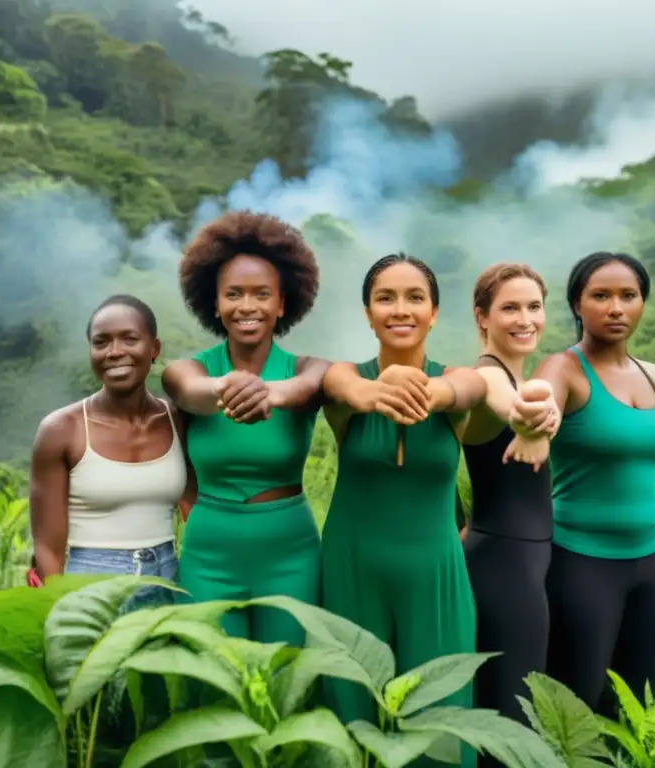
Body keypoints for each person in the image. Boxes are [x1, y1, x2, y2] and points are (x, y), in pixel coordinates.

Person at [321, 253, 510, 768]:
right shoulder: (347, 382)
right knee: (350, 719)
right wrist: (369, 391)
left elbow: (475, 386)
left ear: (434, 312)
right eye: (385, 298)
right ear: (367, 313)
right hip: (350, 570)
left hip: (436, 576)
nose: (399, 309)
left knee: (441, 722)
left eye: (414, 298)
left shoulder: (457, 385)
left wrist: (437, 391)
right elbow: (334, 382)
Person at [518, 251, 655, 715]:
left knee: (641, 704)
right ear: (577, 305)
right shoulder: (562, 370)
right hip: (582, 562)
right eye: (600, 296)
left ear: (642, 303)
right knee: (574, 701)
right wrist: (534, 424)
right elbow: (536, 405)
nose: (616, 307)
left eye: (629, 296)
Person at [162, 210, 329, 646]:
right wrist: (227, 388)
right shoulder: (189, 370)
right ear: (214, 303)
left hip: (290, 547)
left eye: (261, 294)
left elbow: (309, 386)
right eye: (233, 294)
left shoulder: (308, 368)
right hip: (209, 546)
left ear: (282, 302)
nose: (247, 306)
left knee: (286, 674)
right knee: (210, 674)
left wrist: (269, 394)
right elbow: (186, 391)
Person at [28, 294, 192, 608]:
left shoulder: (177, 421)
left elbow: (196, 509)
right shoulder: (62, 429)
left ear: (154, 349)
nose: (115, 352)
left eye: (130, 339)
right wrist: (59, 609)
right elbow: (47, 547)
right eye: (101, 342)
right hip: (89, 585)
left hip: (168, 580)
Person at [458, 263, 559, 751]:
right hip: (503, 564)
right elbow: (510, 407)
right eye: (510, 308)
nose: (525, 319)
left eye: (534, 307)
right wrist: (532, 421)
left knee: (519, 708)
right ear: (482, 318)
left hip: (528, 559)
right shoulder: (486, 377)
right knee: (509, 719)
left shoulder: (520, 377)